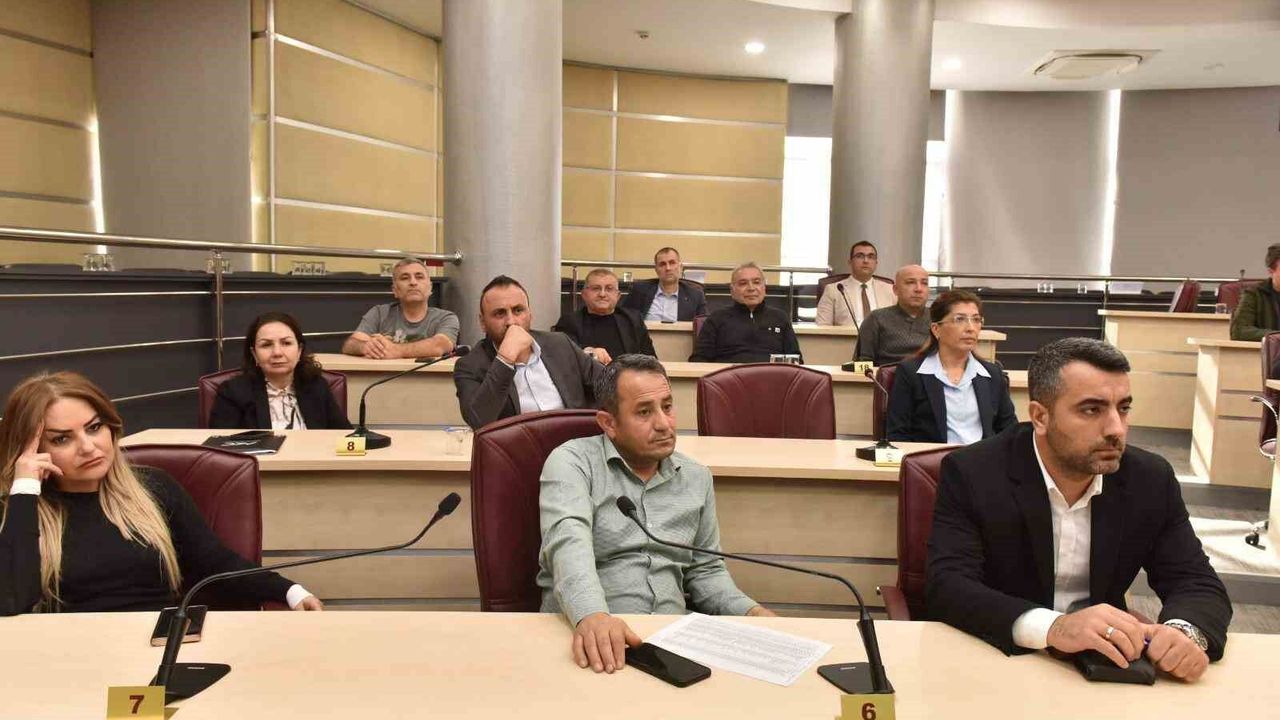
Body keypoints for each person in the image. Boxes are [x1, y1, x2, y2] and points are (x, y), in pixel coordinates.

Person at [926, 338, 1231, 682]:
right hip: (998, 660)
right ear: (1040, 417)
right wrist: (1054, 627)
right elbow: (948, 585)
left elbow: (1195, 581)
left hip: (1104, 666)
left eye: (1123, 408)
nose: (1116, 428)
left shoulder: (1149, 479)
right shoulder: (975, 472)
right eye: (1091, 410)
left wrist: (1183, 633)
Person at [0, 372, 324, 615]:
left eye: (94, 427)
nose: (88, 447)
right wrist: (25, 489)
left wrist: (291, 591)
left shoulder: (153, 487)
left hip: (158, 646)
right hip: (69, 657)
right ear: (31, 450)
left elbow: (214, 561)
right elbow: (11, 603)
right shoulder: (17, 509)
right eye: (62, 439)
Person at [538, 354, 775, 674]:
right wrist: (593, 615)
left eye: (667, 406)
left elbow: (705, 571)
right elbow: (568, 546)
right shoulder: (572, 463)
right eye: (644, 412)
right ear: (609, 423)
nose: (664, 423)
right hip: (586, 635)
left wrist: (751, 613)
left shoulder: (696, 477)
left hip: (671, 645)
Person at [453, 275, 604, 429]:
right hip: (518, 444)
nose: (511, 321)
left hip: (576, 440)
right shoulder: (470, 366)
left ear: (530, 314)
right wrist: (505, 360)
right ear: (483, 322)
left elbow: (609, 385)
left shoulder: (560, 344)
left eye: (518, 310)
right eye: (500, 313)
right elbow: (479, 421)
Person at [886, 290, 1016, 444]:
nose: (970, 328)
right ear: (936, 329)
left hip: (982, 457)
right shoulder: (911, 373)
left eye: (976, 320)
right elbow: (898, 435)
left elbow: (1010, 432)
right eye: (960, 319)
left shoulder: (992, 374)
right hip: (933, 458)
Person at [209, 312, 352, 430]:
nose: (277, 352)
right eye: (266, 345)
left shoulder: (317, 386)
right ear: (254, 354)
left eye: (286, 343)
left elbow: (344, 437)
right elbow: (221, 448)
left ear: (299, 350)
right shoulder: (232, 392)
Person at [342, 257, 459, 359]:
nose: (413, 282)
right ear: (395, 290)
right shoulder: (379, 313)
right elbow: (350, 344)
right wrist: (366, 346)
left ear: (430, 288)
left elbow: (439, 346)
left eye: (419, 277)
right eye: (405, 278)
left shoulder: (446, 317)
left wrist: (396, 350)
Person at [689, 262, 802, 363]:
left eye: (756, 282)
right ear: (732, 290)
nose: (751, 288)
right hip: (728, 378)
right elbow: (698, 360)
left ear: (764, 287)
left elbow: (796, 360)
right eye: (743, 283)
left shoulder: (780, 318)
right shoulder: (716, 319)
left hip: (771, 378)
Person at [553, 268, 656, 364]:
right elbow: (564, 354)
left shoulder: (633, 319)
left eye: (609, 289)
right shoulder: (569, 322)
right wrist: (589, 352)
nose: (602, 294)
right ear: (584, 295)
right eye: (596, 288)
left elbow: (651, 359)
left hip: (628, 375)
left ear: (618, 296)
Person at [855, 265, 932, 365]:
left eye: (924, 283)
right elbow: (862, 364)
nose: (918, 289)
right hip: (888, 373)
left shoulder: (939, 318)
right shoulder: (876, 319)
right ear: (896, 289)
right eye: (910, 282)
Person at [815, 241, 896, 327]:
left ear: (876, 263)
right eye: (860, 256)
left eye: (871, 257)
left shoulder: (890, 290)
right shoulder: (833, 290)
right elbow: (822, 326)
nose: (866, 261)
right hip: (847, 336)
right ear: (850, 262)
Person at [621, 247, 708, 322]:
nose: (668, 268)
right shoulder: (639, 291)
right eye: (662, 264)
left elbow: (704, 326)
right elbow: (623, 320)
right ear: (656, 269)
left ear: (680, 267)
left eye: (672, 263)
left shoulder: (695, 296)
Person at [1229, 243, 1280, 340]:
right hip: (1265, 349)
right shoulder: (1253, 294)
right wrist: (1276, 336)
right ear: (1270, 271)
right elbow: (1239, 332)